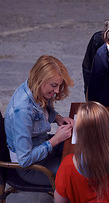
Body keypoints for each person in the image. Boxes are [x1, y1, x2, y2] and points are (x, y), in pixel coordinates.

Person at [5, 55, 74, 186]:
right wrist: (55, 140)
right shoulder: (22, 111)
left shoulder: (35, 88)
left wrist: (58, 118)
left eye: (59, 85)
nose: (57, 90)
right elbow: (24, 160)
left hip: (42, 145)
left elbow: (41, 112)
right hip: (32, 167)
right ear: (40, 80)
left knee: (80, 145)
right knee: (79, 172)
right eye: (54, 85)